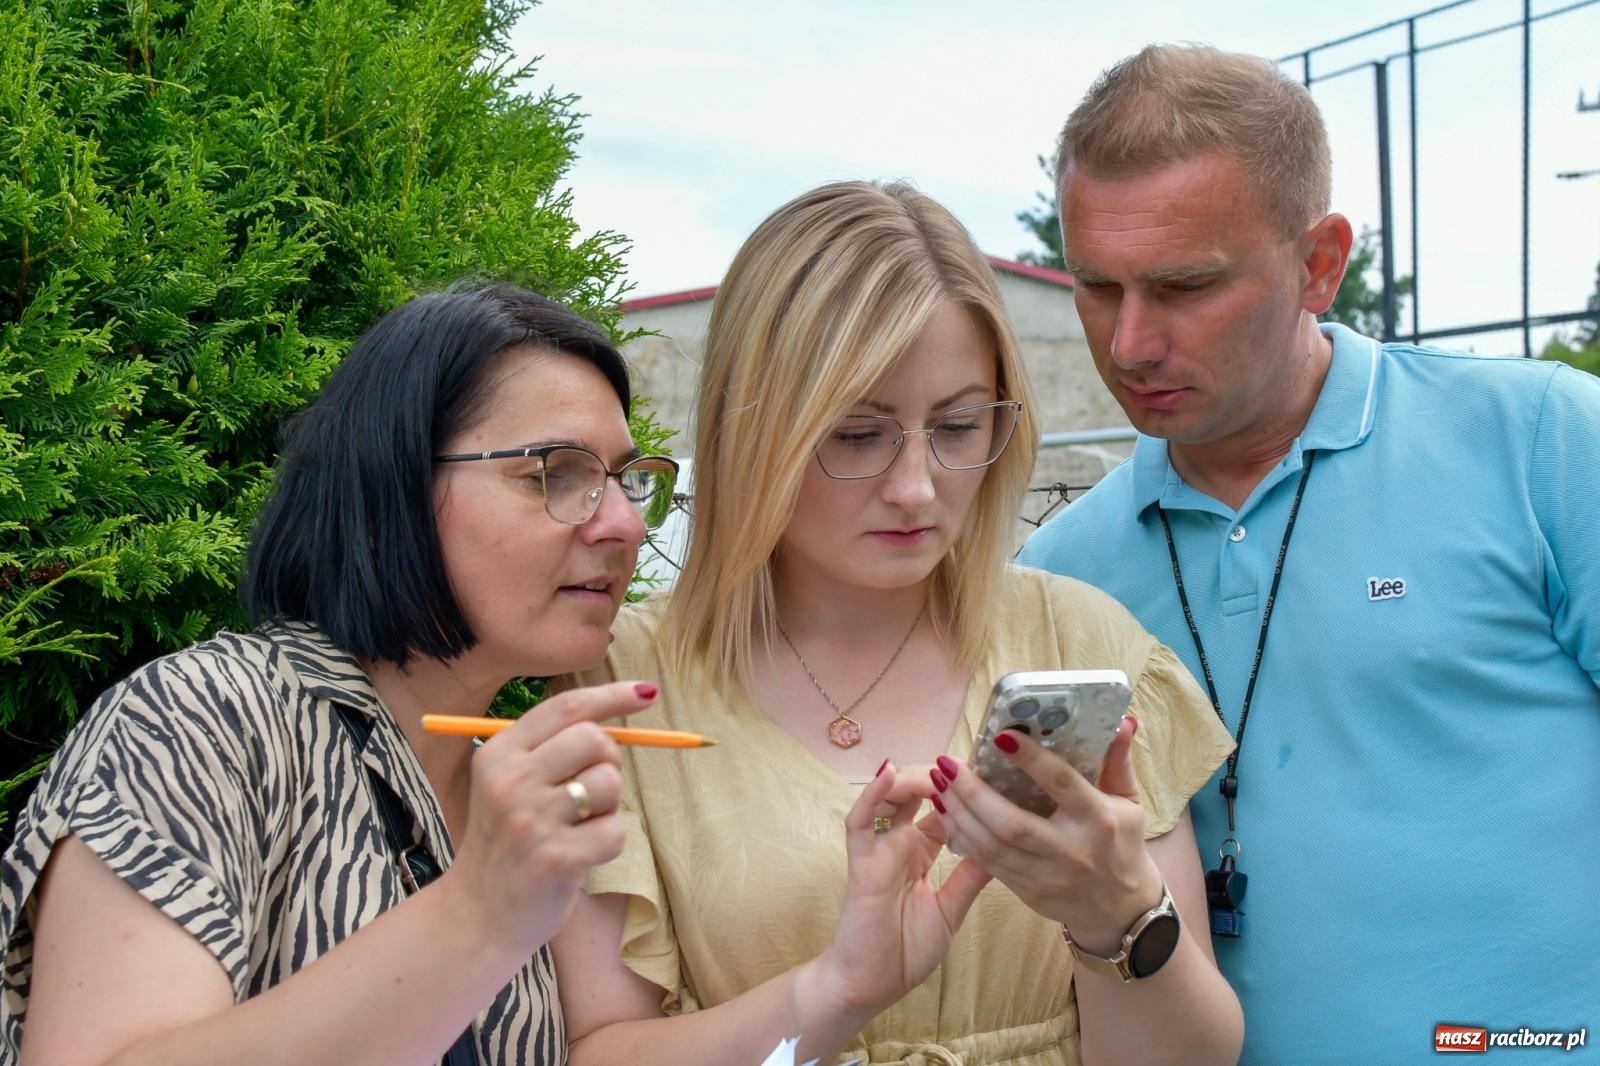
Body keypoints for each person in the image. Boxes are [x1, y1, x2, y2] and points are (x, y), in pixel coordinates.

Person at [552, 181, 1244, 1065]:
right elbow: (602, 1049)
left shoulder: (1086, 646)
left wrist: (1120, 915)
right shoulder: (624, 682)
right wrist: (832, 991)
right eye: (856, 435)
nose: (917, 488)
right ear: (752, 428)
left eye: (958, 425)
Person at [1019, 44, 1600, 1064]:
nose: (1128, 343)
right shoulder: (1061, 571)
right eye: (1097, 287)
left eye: (1184, 285)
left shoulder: (1540, 441)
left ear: (1318, 264)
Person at [0, 283, 679, 1065]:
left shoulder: (506, 792)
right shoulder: (202, 718)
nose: (625, 523)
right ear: (391, 482)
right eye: (554, 474)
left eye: (629, 479)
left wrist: (830, 990)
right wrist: (479, 912)